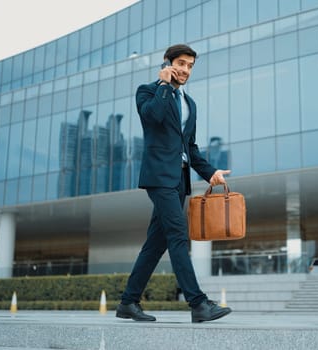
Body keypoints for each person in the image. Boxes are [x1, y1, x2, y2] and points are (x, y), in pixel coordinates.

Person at [116, 44, 232, 323]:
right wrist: (164, 84)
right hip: (158, 177)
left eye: (190, 66)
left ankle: (128, 303)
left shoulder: (190, 104)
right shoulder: (148, 91)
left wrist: (210, 172)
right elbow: (152, 116)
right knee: (179, 235)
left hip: (179, 179)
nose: (186, 70)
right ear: (168, 63)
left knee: (156, 244)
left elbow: (190, 148)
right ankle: (198, 304)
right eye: (181, 63)